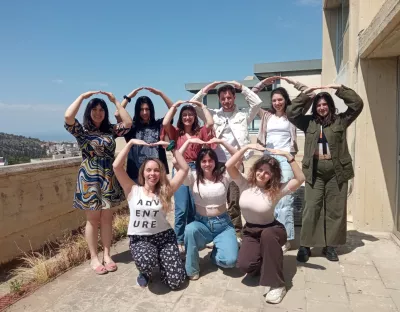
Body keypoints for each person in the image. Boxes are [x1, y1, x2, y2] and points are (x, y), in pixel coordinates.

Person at [286, 84, 363, 262]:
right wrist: (306, 95)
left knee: (335, 210)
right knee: (311, 209)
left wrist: (340, 89)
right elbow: (291, 112)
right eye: (319, 105)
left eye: (324, 104)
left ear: (330, 105)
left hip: (337, 172)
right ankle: (305, 246)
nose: (321, 107)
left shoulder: (341, 120)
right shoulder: (308, 122)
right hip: (315, 173)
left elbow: (357, 104)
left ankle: (330, 247)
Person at [225, 144, 305, 304]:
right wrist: (246, 147)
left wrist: (288, 157)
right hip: (251, 231)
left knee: (268, 237)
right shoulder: (244, 184)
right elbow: (228, 165)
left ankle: (278, 285)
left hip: (272, 230)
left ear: (272, 176)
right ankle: (268, 258)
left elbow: (300, 178)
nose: (262, 174)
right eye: (260, 170)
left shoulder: (277, 190)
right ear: (255, 170)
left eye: (267, 172)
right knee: (245, 265)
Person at [64, 90, 132, 275]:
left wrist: (115, 101)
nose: (99, 112)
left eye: (102, 109)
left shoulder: (110, 129)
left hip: (108, 176)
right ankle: (94, 257)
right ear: (89, 111)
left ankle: (107, 254)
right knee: (93, 220)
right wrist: (82, 97)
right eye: (95, 109)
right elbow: (68, 116)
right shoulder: (82, 131)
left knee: (107, 218)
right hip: (89, 178)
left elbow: (127, 123)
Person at [190, 80, 262, 242]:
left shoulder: (243, 115)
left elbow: (257, 103)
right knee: (218, 198)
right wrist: (207, 87)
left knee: (235, 200)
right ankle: (218, 231)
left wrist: (242, 87)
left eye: (229, 97)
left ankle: (236, 232)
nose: (226, 101)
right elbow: (195, 105)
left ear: (234, 98)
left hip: (236, 163)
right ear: (219, 99)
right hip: (216, 164)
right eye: (223, 98)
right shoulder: (214, 115)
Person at [112, 137, 188, 289]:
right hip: (140, 239)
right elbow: (116, 166)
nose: (152, 173)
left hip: (164, 237)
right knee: (147, 262)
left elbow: (184, 169)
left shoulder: (166, 191)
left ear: (161, 173)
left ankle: (163, 261)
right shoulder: (133, 190)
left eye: (156, 170)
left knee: (176, 282)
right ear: (143, 173)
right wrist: (130, 144)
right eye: (149, 170)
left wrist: (172, 147)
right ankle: (144, 271)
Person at [251, 76, 314, 253]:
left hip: (286, 159)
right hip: (268, 158)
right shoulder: (266, 115)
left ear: (286, 100)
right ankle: (267, 232)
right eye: (274, 100)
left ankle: (284, 238)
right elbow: (251, 96)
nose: (277, 103)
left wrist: (292, 81)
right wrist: (264, 83)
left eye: (280, 99)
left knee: (285, 198)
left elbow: (311, 94)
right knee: (267, 197)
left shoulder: (293, 115)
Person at [175, 138, 238, 280]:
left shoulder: (224, 176)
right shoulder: (192, 177)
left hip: (223, 225)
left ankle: (214, 255)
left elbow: (237, 156)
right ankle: (192, 269)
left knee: (230, 262)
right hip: (202, 224)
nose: (207, 164)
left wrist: (222, 142)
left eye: (210, 160)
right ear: (199, 163)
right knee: (189, 229)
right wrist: (189, 141)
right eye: (203, 161)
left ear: (215, 161)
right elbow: (176, 159)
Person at [163, 100, 214, 255]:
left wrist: (203, 106)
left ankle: (192, 238)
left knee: (195, 206)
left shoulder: (200, 132)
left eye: (190, 115)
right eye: (184, 115)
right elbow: (165, 122)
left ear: (194, 117)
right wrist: (175, 106)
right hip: (180, 169)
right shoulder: (175, 132)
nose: (187, 118)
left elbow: (210, 123)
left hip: (196, 170)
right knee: (181, 208)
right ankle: (178, 240)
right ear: (181, 117)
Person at [115, 86, 173, 184]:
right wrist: (128, 97)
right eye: (141, 109)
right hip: (136, 175)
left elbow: (173, 108)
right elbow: (117, 114)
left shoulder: (159, 125)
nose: (144, 112)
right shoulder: (131, 127)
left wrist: (160, 93)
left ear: (151, 110)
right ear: (137, 111)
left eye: (147, 109)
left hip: (157, 175)